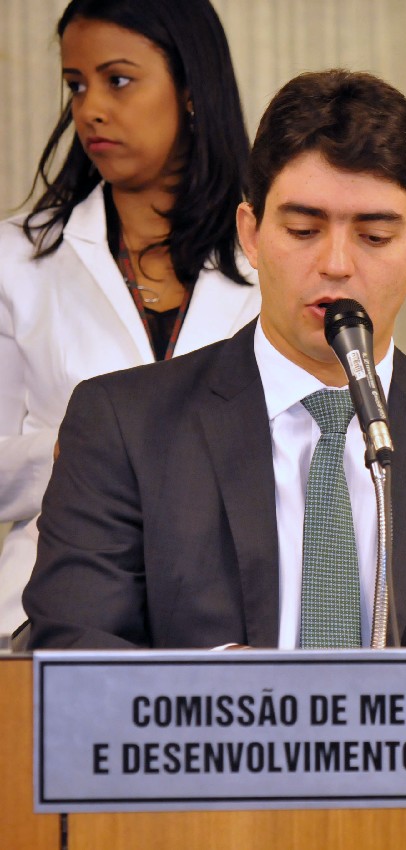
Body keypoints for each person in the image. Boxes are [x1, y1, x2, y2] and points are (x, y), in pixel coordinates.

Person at [23, 69, 406, 650]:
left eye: (375, 237)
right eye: (304, 230)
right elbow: (74, 652)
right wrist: (231, 689)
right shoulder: (124, 425)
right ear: (252, 234)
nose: (336, 264)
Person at [0, 0, 260, 635]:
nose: (90, 108)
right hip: (50, 610)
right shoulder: (16, 259)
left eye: (117, 80)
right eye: (76, 85)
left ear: (191, 88)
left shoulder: (272, 259)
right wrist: (73, 451)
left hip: (229, 623)